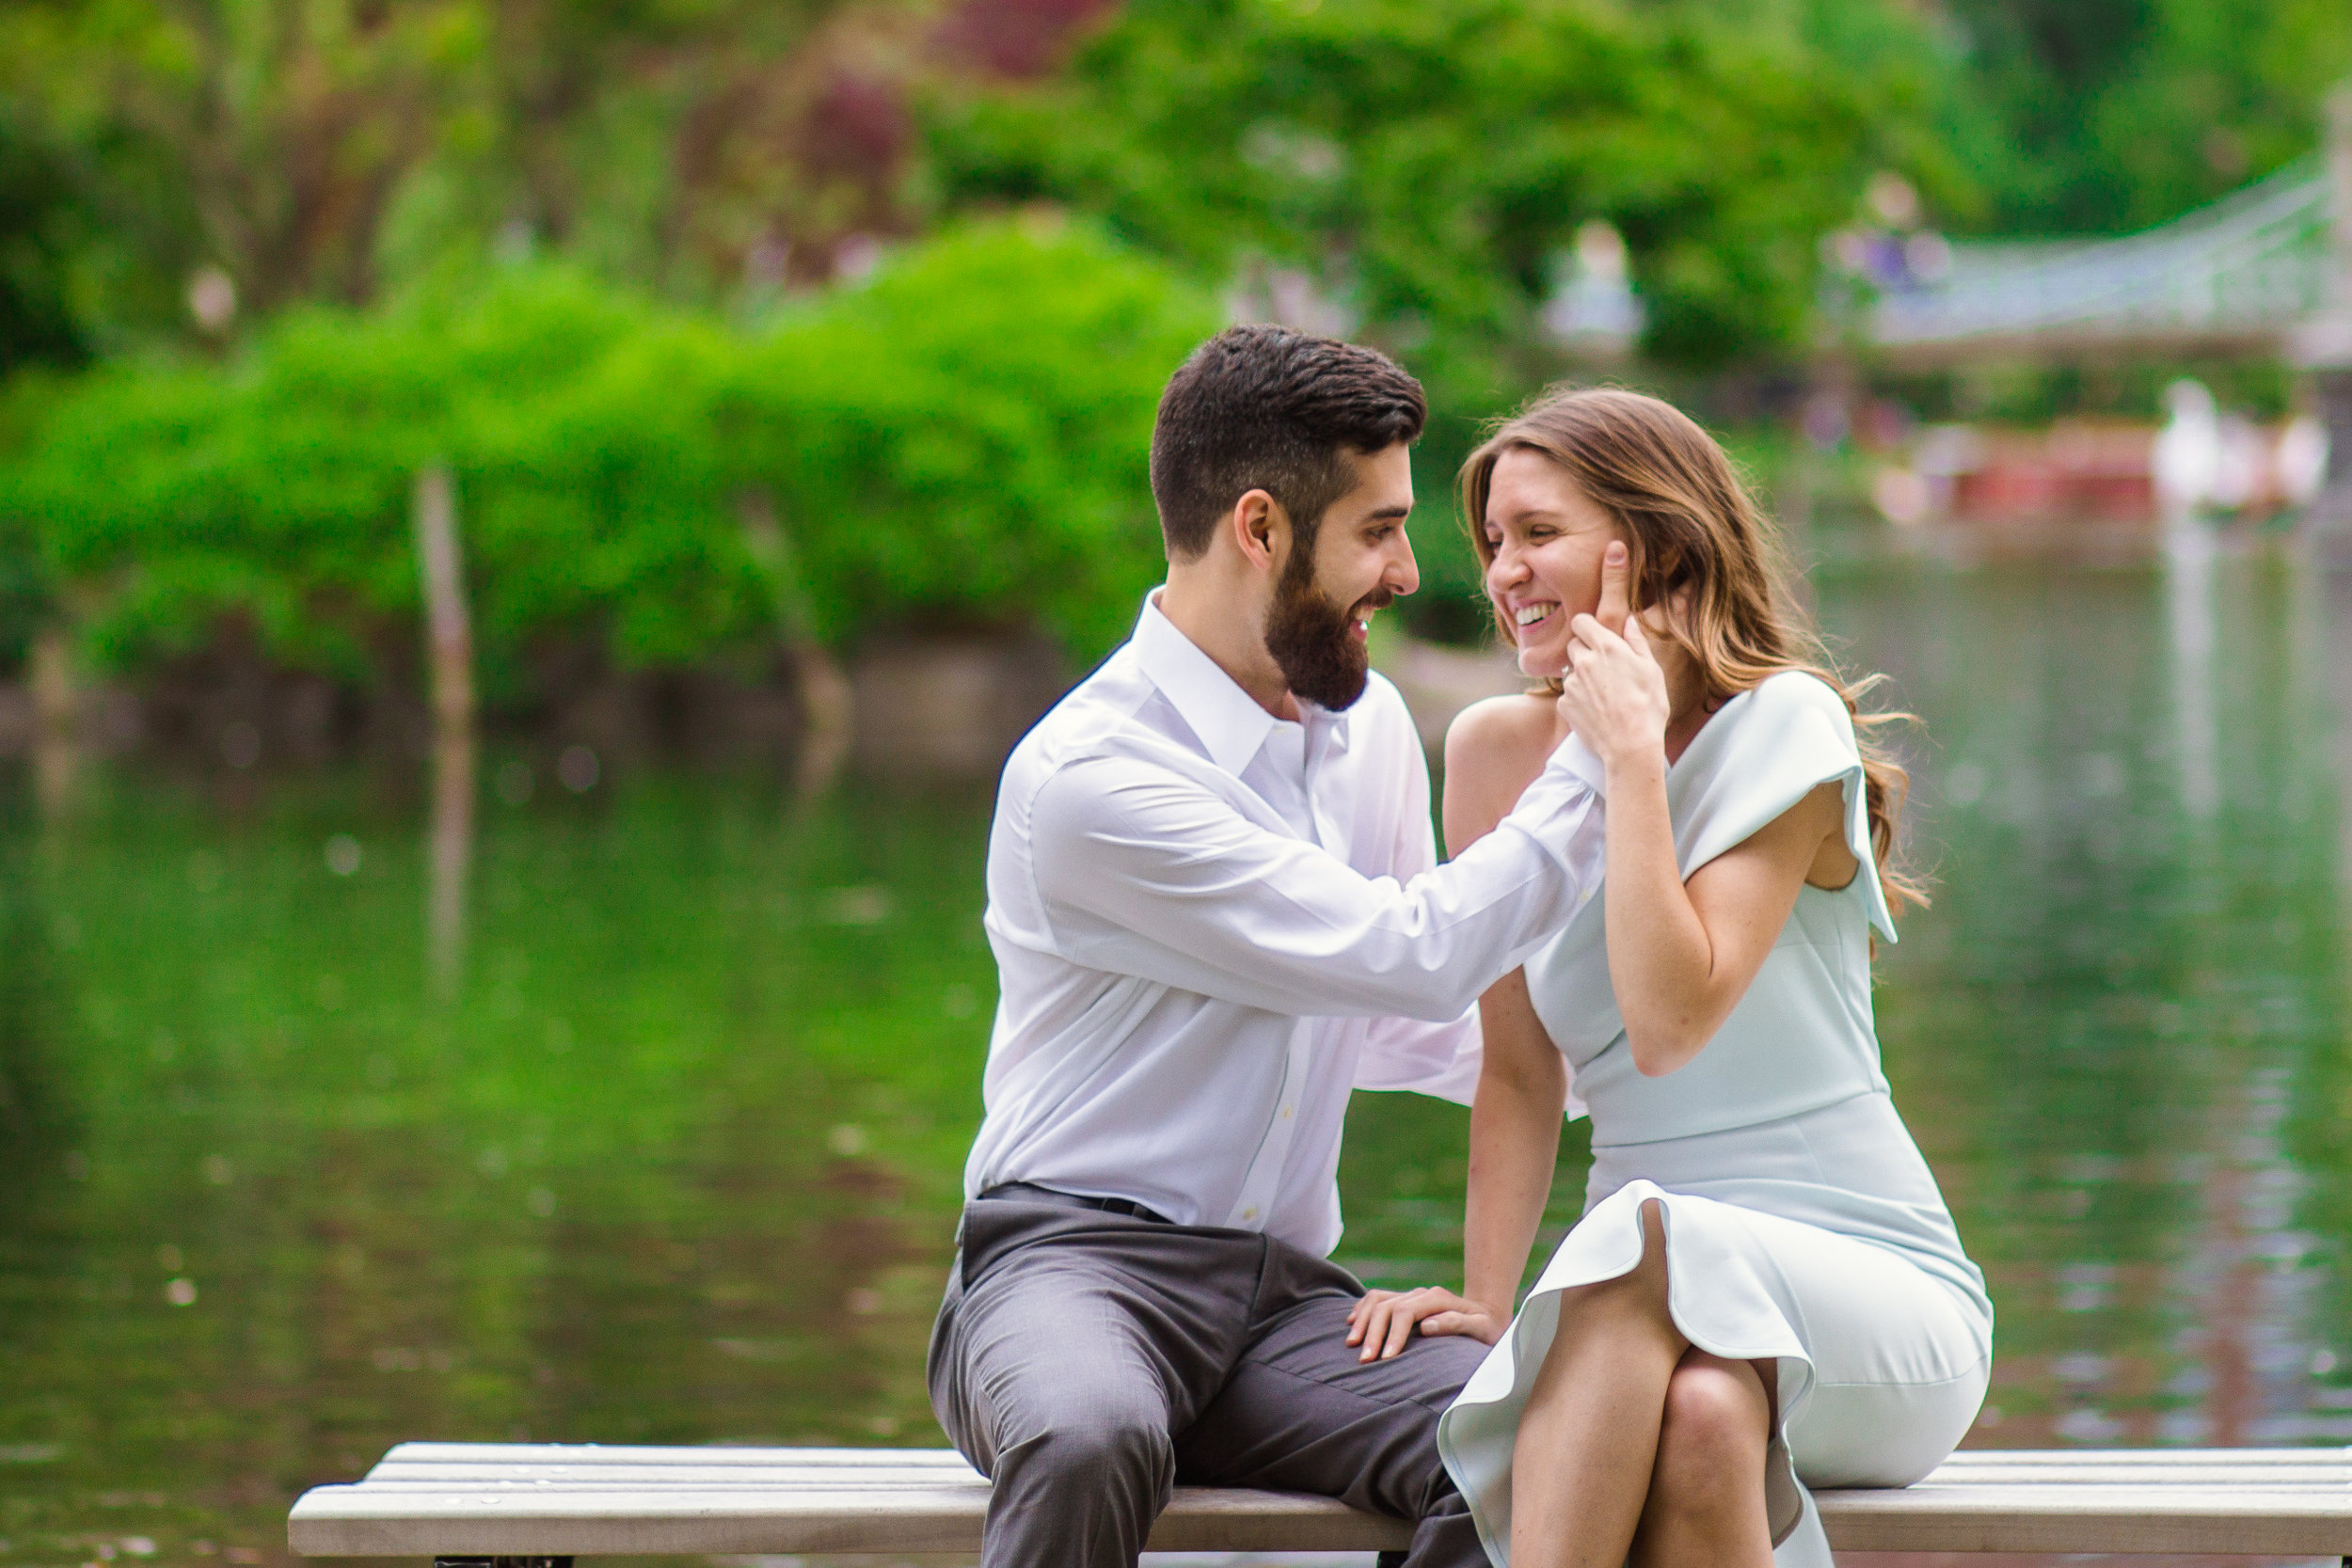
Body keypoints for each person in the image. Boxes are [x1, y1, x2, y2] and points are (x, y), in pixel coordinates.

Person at [928, 325, 1624, 1568]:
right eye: (1377, 529)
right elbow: (1410, 954)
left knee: (1536, 1428)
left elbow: (1426, 1029)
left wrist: (1675, 1076)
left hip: (1283, 1304)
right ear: (1260, 526)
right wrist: (1598, 751)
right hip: (1068, 1271)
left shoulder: (1359, 730)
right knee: (1091, 1433)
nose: (1410, 570)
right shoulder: (1096, 778)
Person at [1345, 388, 1992, 1568]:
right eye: (1492, 542)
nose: (1501, 572)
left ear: (1651, 546)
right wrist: (1490, 1305)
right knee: (1700, 1420)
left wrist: (1629, 758)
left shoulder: (1785, 725)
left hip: (1869, 1294)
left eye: (1538, 533)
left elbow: (1668, 1019)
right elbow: (1520, 1070)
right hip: (1642, 1306)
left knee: (1640, 1232)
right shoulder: (1491, 753)